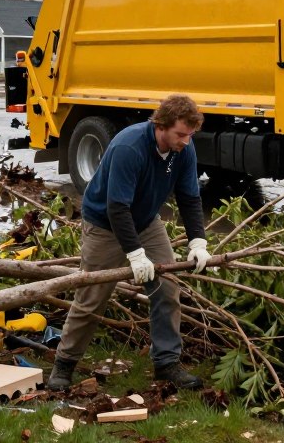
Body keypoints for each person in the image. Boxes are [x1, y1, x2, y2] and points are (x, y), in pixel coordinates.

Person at [47, 94, 214, 391]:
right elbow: (117, 207)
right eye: (180, 134)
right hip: (104, 224)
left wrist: (198, 241)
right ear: (161, 125)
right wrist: (136, 255)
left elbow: (190, 197)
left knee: (168, 288)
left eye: (190, 135)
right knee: (92, 297)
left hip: (146, 221)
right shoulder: (130, 146)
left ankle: (166, 363)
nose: (186, 141)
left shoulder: (183, 150)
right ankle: (64, 363)